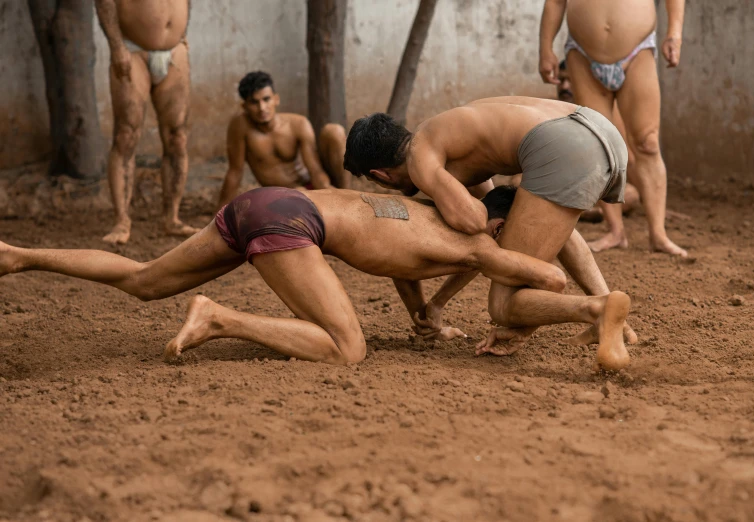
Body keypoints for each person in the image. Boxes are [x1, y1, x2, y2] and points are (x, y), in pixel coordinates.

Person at [0, 186, 632, 370]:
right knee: (346, 349)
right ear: (495, 225)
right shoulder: (475, 243)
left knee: (141, 279)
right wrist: (536, 259)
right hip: (293, 224)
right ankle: (218, 318)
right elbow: (545, 277)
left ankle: (18, 255)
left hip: (266, 199)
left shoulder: (424, 211)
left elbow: (399, 265)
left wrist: (429, 311)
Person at [343, 97, 636, 361]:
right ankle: (615, 322)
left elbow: (474, 223)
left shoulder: (420, 157)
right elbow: (496, 222)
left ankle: (598, 309)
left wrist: (437, 223)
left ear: (380, 175)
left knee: (503, 305)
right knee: (539, 220)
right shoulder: (443, 133)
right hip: (599, 129)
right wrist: (439, 301)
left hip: (562, 146)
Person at [539, 0, 687, 256]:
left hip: (637, 50)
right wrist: (545, 48)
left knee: (647, 142)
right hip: (582, 52)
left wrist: (674, 33)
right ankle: (616, 231)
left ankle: (658, 235)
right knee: (600, 144)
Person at [95, 0, 198, 245]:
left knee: (177, 136)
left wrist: (182, 30)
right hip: (132, 50)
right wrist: (116, 45)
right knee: (126, 134)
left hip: (175, 50)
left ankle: (171, 218)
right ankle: (122, 221)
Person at [216, 71, 350, 208]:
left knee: (334, 131)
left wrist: (329, 191)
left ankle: (348, 195)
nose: (262, 108)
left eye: (266, 99)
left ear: (276, 99)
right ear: (244, 106)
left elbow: (315, 170)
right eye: (254, 102)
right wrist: (218, 214)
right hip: (283, 196)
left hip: (312, 186)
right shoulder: (240, 127)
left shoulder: (298, 123)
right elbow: (235, 172)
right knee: (299, 192)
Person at [556, 60, 641, 223]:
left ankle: (578, 213)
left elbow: (628, 159)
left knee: (630, 195)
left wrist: (652, 202)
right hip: (557, 185)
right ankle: (582, 212)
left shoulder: (606, 112)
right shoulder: (550, 108)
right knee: (517, 183)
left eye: (570, 81)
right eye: (561, 80)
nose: (565, 86)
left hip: (594, 188)